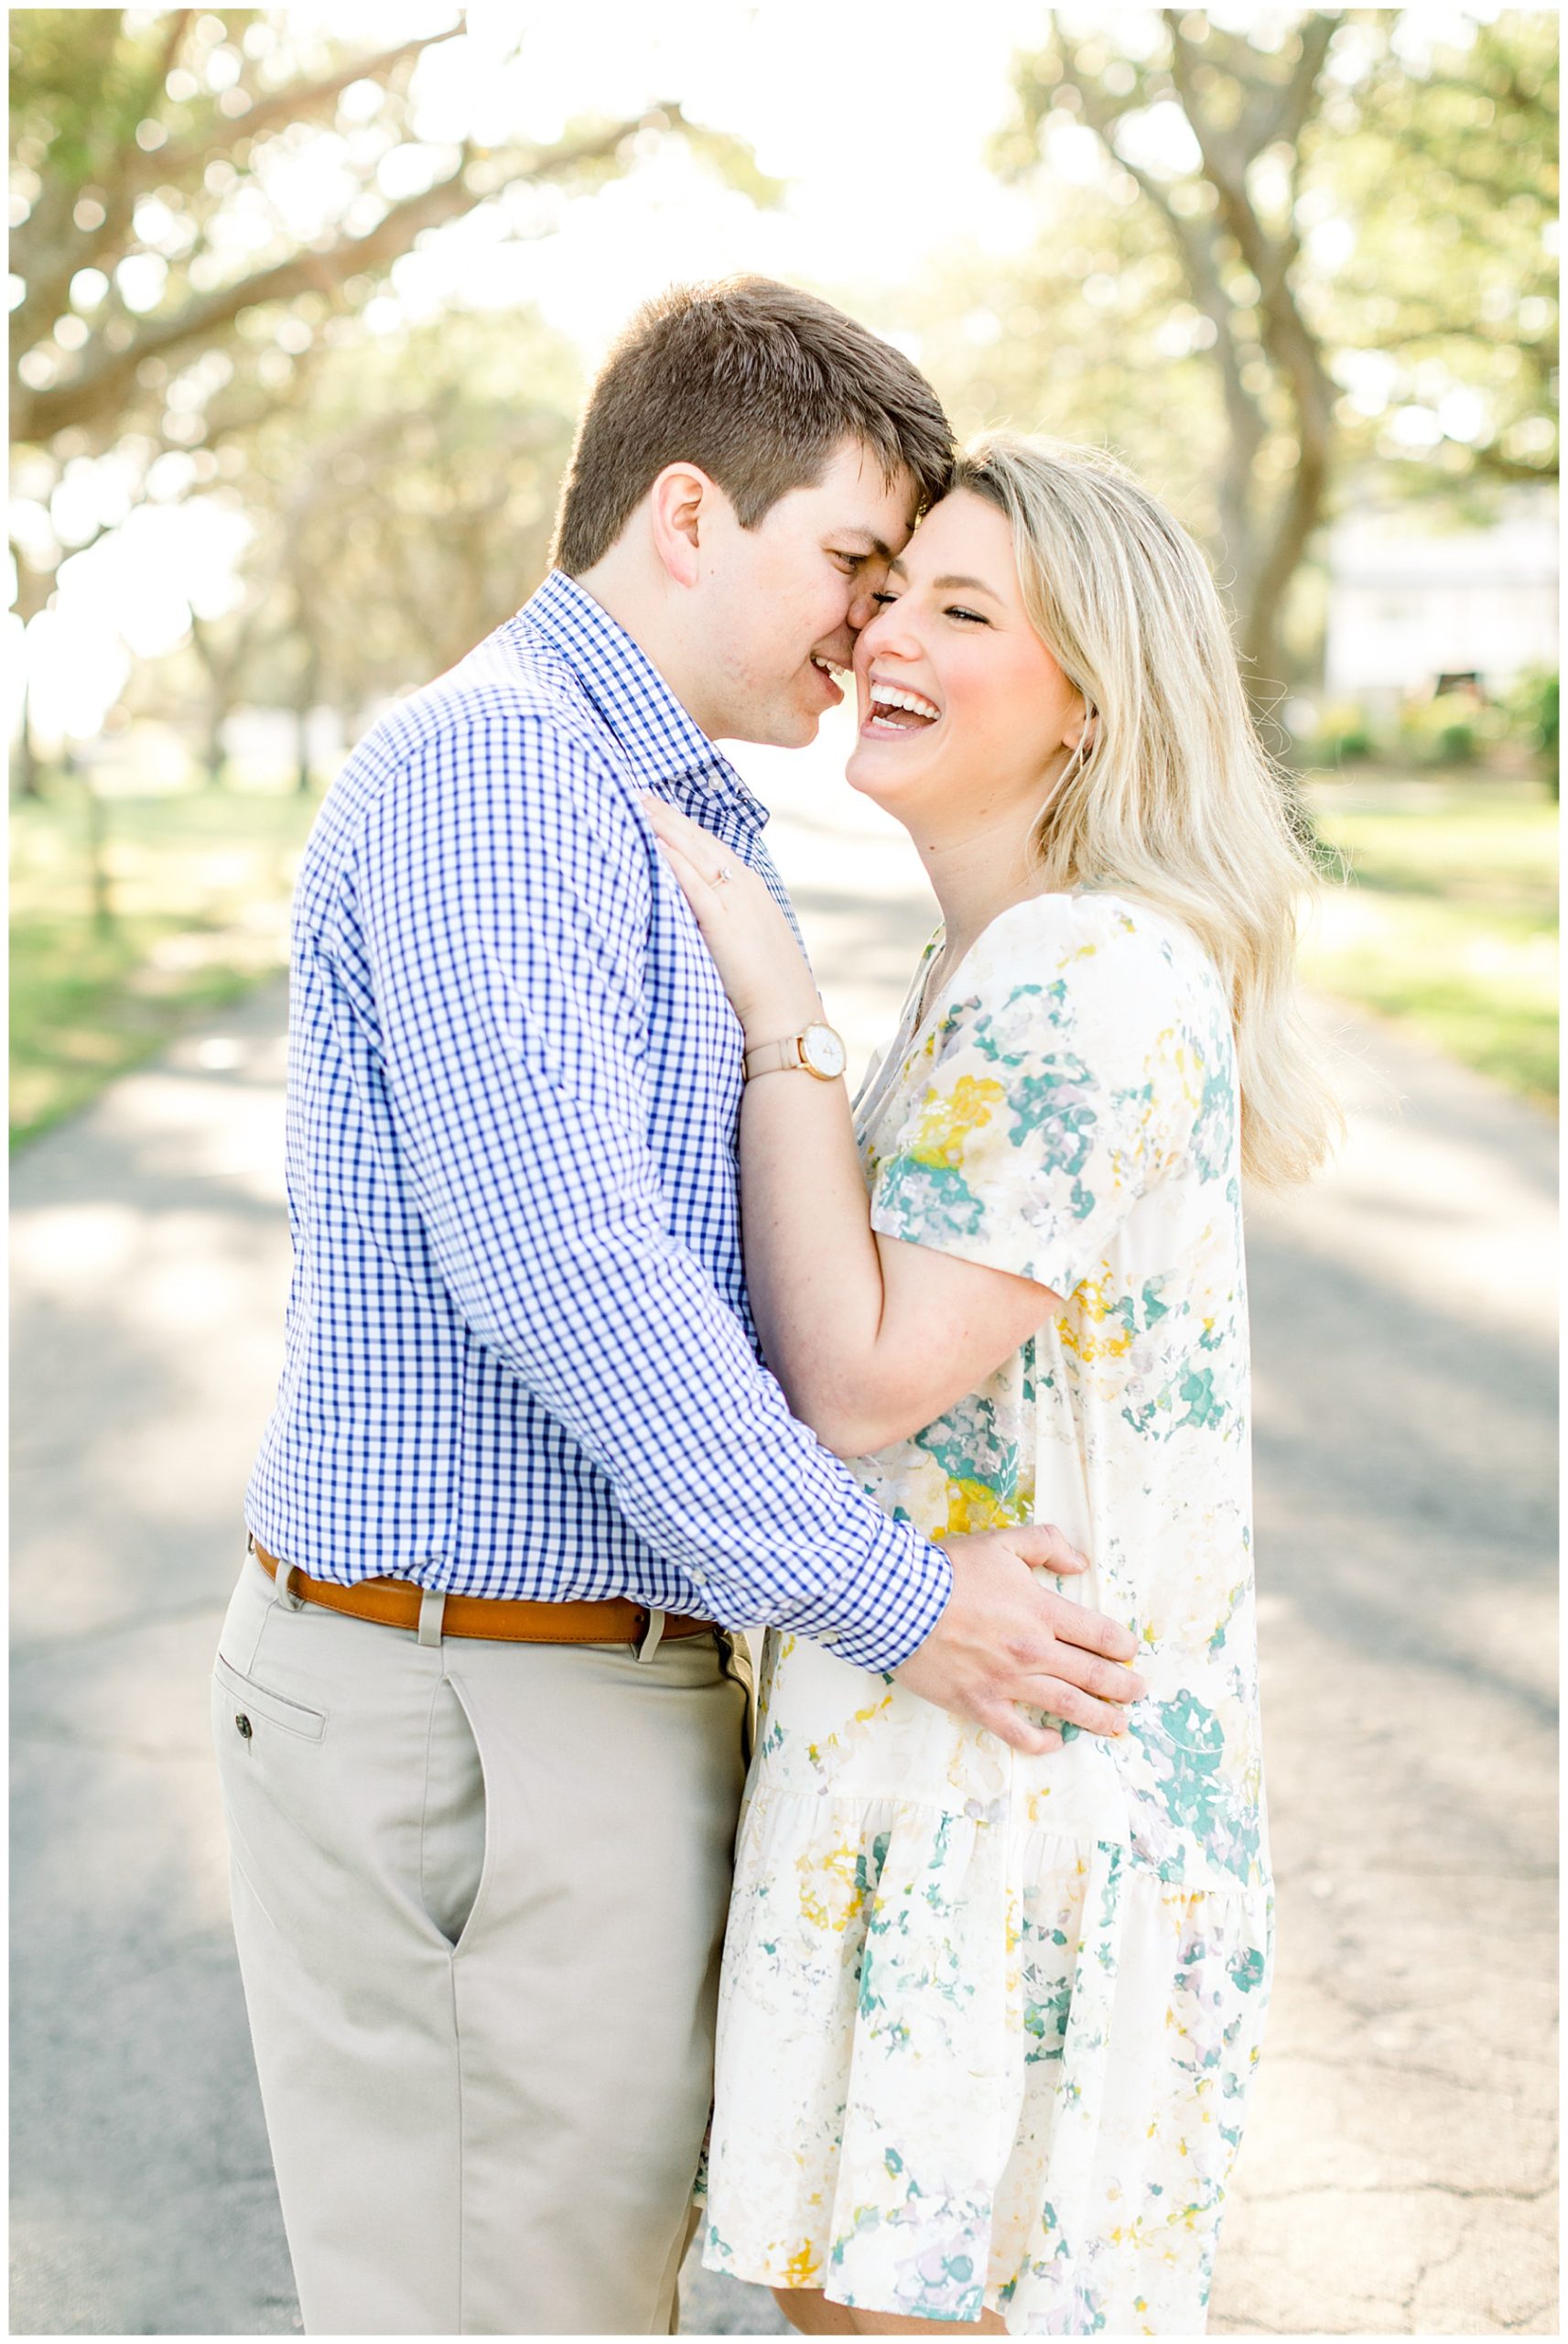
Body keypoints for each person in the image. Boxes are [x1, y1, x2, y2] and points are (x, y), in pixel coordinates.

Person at [210, 282, 1143, 2339]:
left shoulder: (656, 800)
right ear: (693, 513)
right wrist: (908, 1600)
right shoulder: (499, 776)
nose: (871, 625)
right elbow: (568, 1270)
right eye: (852, 560)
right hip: (470, 1704)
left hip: (575, 1693)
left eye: (912, 589)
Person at [646, 432, 1340, 2336]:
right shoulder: (1001, 963)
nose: (886, 632)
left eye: (964, 608)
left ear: (1088, 700)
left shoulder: (1074, 970)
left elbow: (860, 1381)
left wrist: (771, 1011)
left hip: (1007, 1810)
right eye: (887, 592)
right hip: (948, 1773)